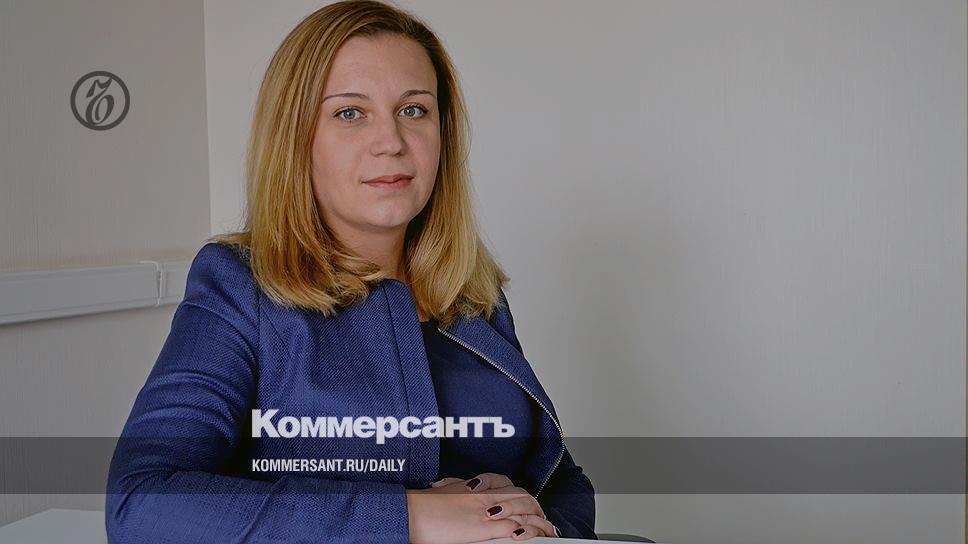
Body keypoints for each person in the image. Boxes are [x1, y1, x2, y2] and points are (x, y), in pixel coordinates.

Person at [105, 1, 595, 542]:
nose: (392, 142)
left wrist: (526, 522)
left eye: (414, 109)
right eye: (349, 113)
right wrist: (413, 517)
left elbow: (561, 479)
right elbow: (142, 503)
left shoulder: (471, 293)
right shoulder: (239, 286)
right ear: (296, 139)